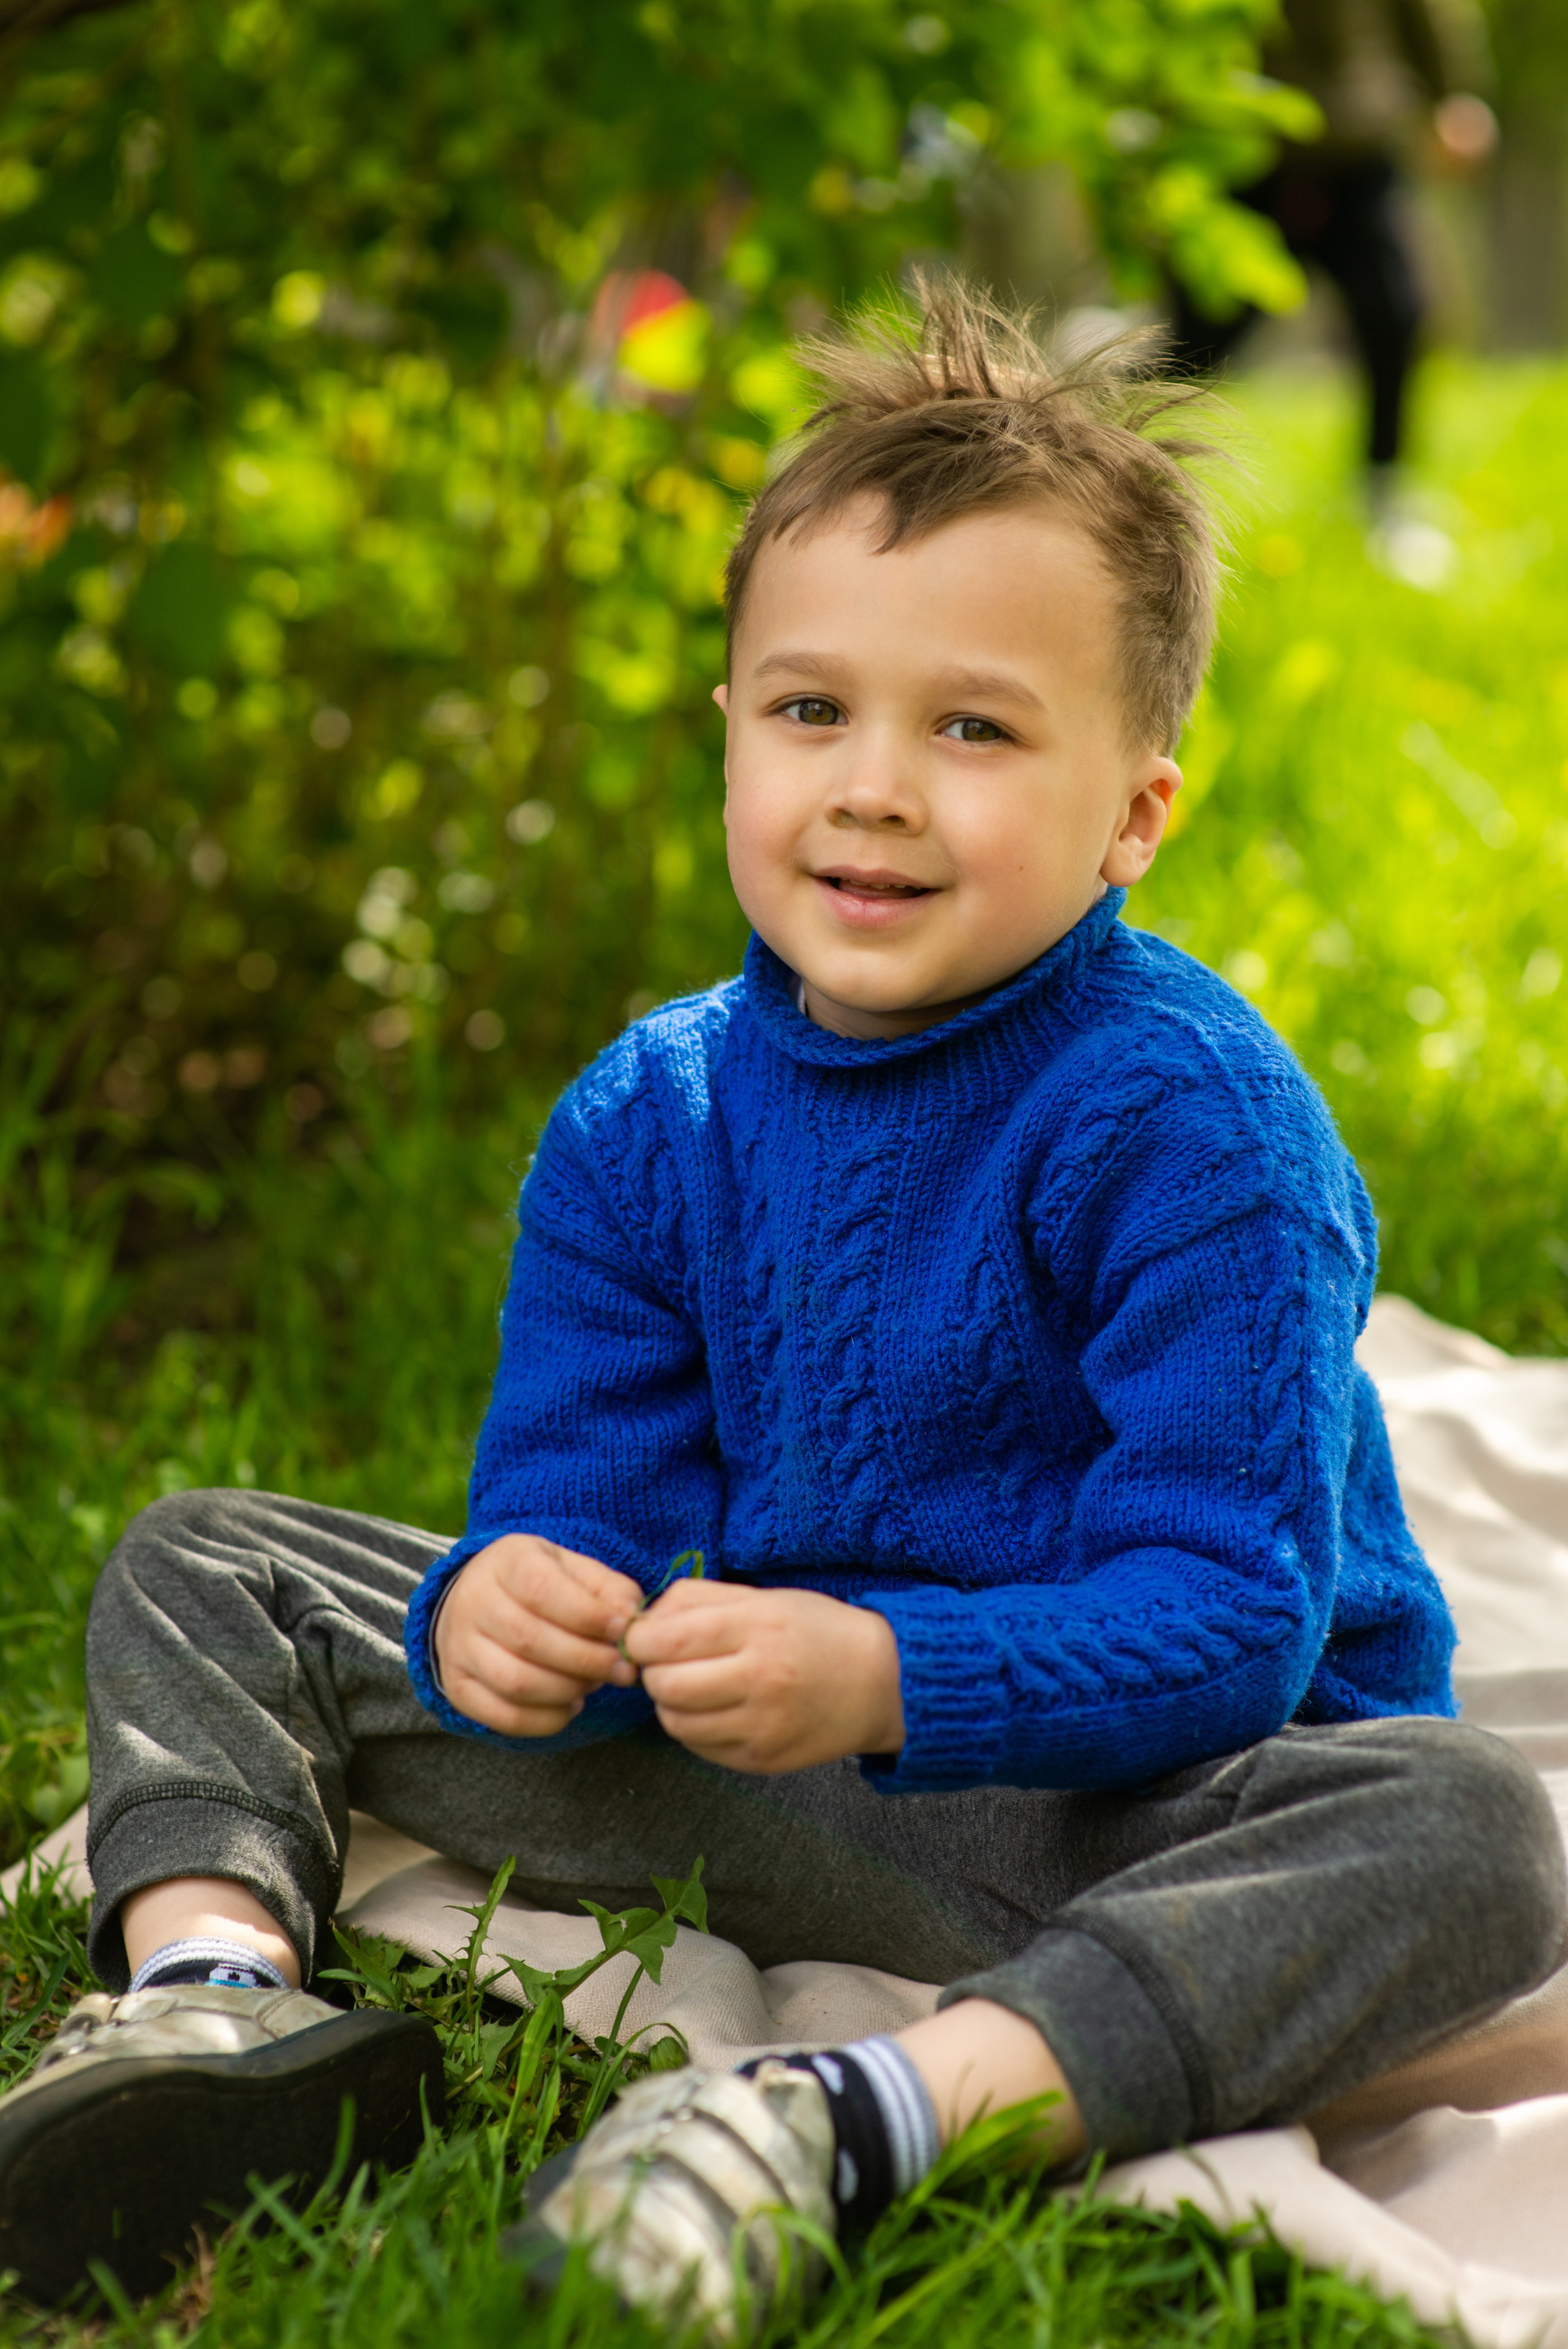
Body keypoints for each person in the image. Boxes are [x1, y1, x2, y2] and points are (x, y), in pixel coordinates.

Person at [1, 284, 1561, 2328]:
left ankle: (847, 2117)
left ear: (1134, 815)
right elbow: (575, 1485)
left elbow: (1235, 1617)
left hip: (1150, 1802)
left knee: (1468, 1830)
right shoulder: (650, 1114)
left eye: (975, 727)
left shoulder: (1190, 1122)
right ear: (728, 729)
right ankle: (218, 2007)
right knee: (216, 1559)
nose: (877, 787)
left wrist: (894, 1666)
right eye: (814, 709)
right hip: (784, 1761)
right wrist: (516, 1595)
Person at [1169, 0, 1495, 518]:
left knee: (1394, 318)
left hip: (1356, 153)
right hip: (1246, 155)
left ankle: (1386, 491)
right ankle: (1115, 484)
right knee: (1195, 345)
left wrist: (1451, 95)